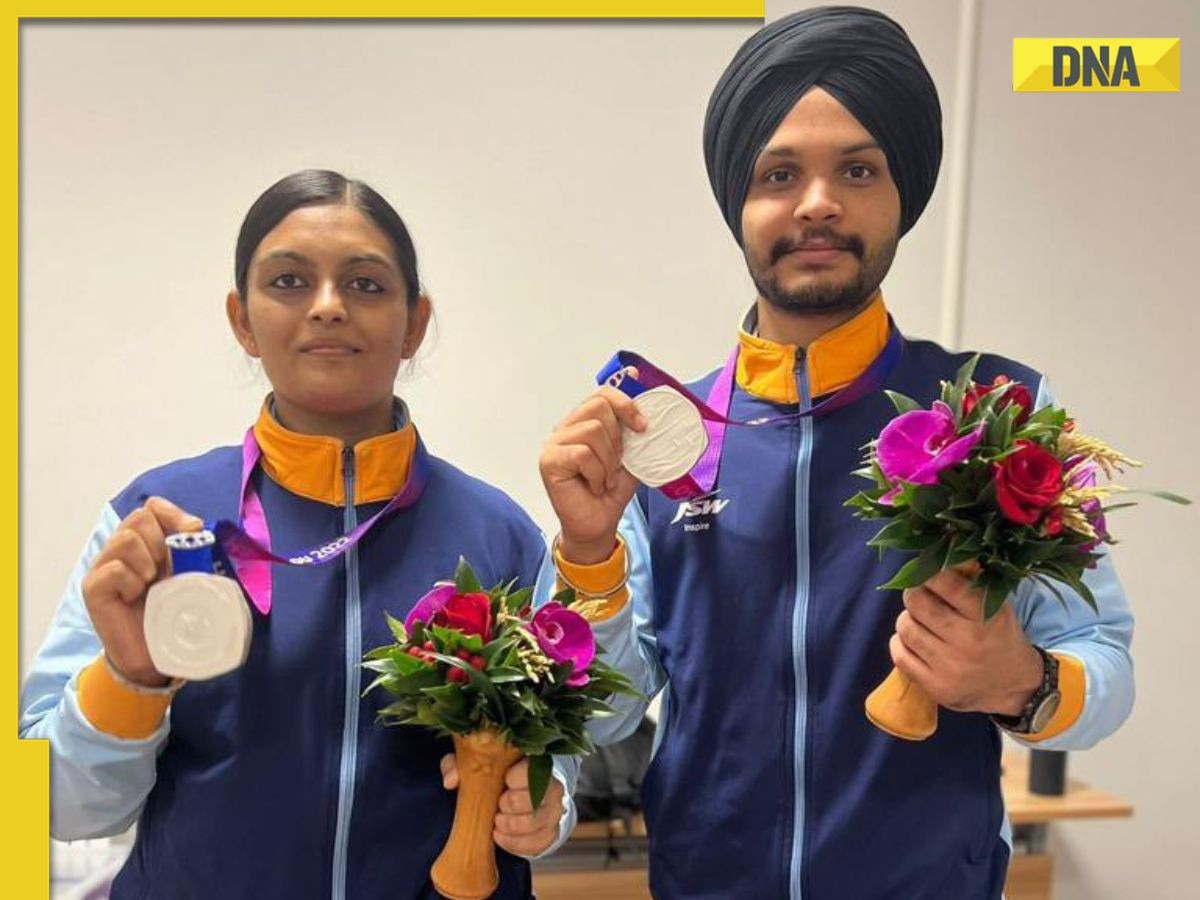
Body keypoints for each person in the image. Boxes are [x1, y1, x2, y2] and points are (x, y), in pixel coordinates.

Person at [538, 7, 1134, 899]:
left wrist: (1024, 680)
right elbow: (606, 712)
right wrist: (588, 556)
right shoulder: (660, 439)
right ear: (739, 202)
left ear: (901, 196)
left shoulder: (998, 412)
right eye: (780, 173)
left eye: (857, 168)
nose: (817, 201)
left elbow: (1105, 657)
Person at [20, 169, 574, 898]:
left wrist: (546, 803)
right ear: (241, 319)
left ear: (415, 324)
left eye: (366, 285)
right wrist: (132, 680)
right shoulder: (154, 525)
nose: (327, 308)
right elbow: (56, 809)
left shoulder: (501, 535)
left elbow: (557, 755)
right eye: (287, 281)